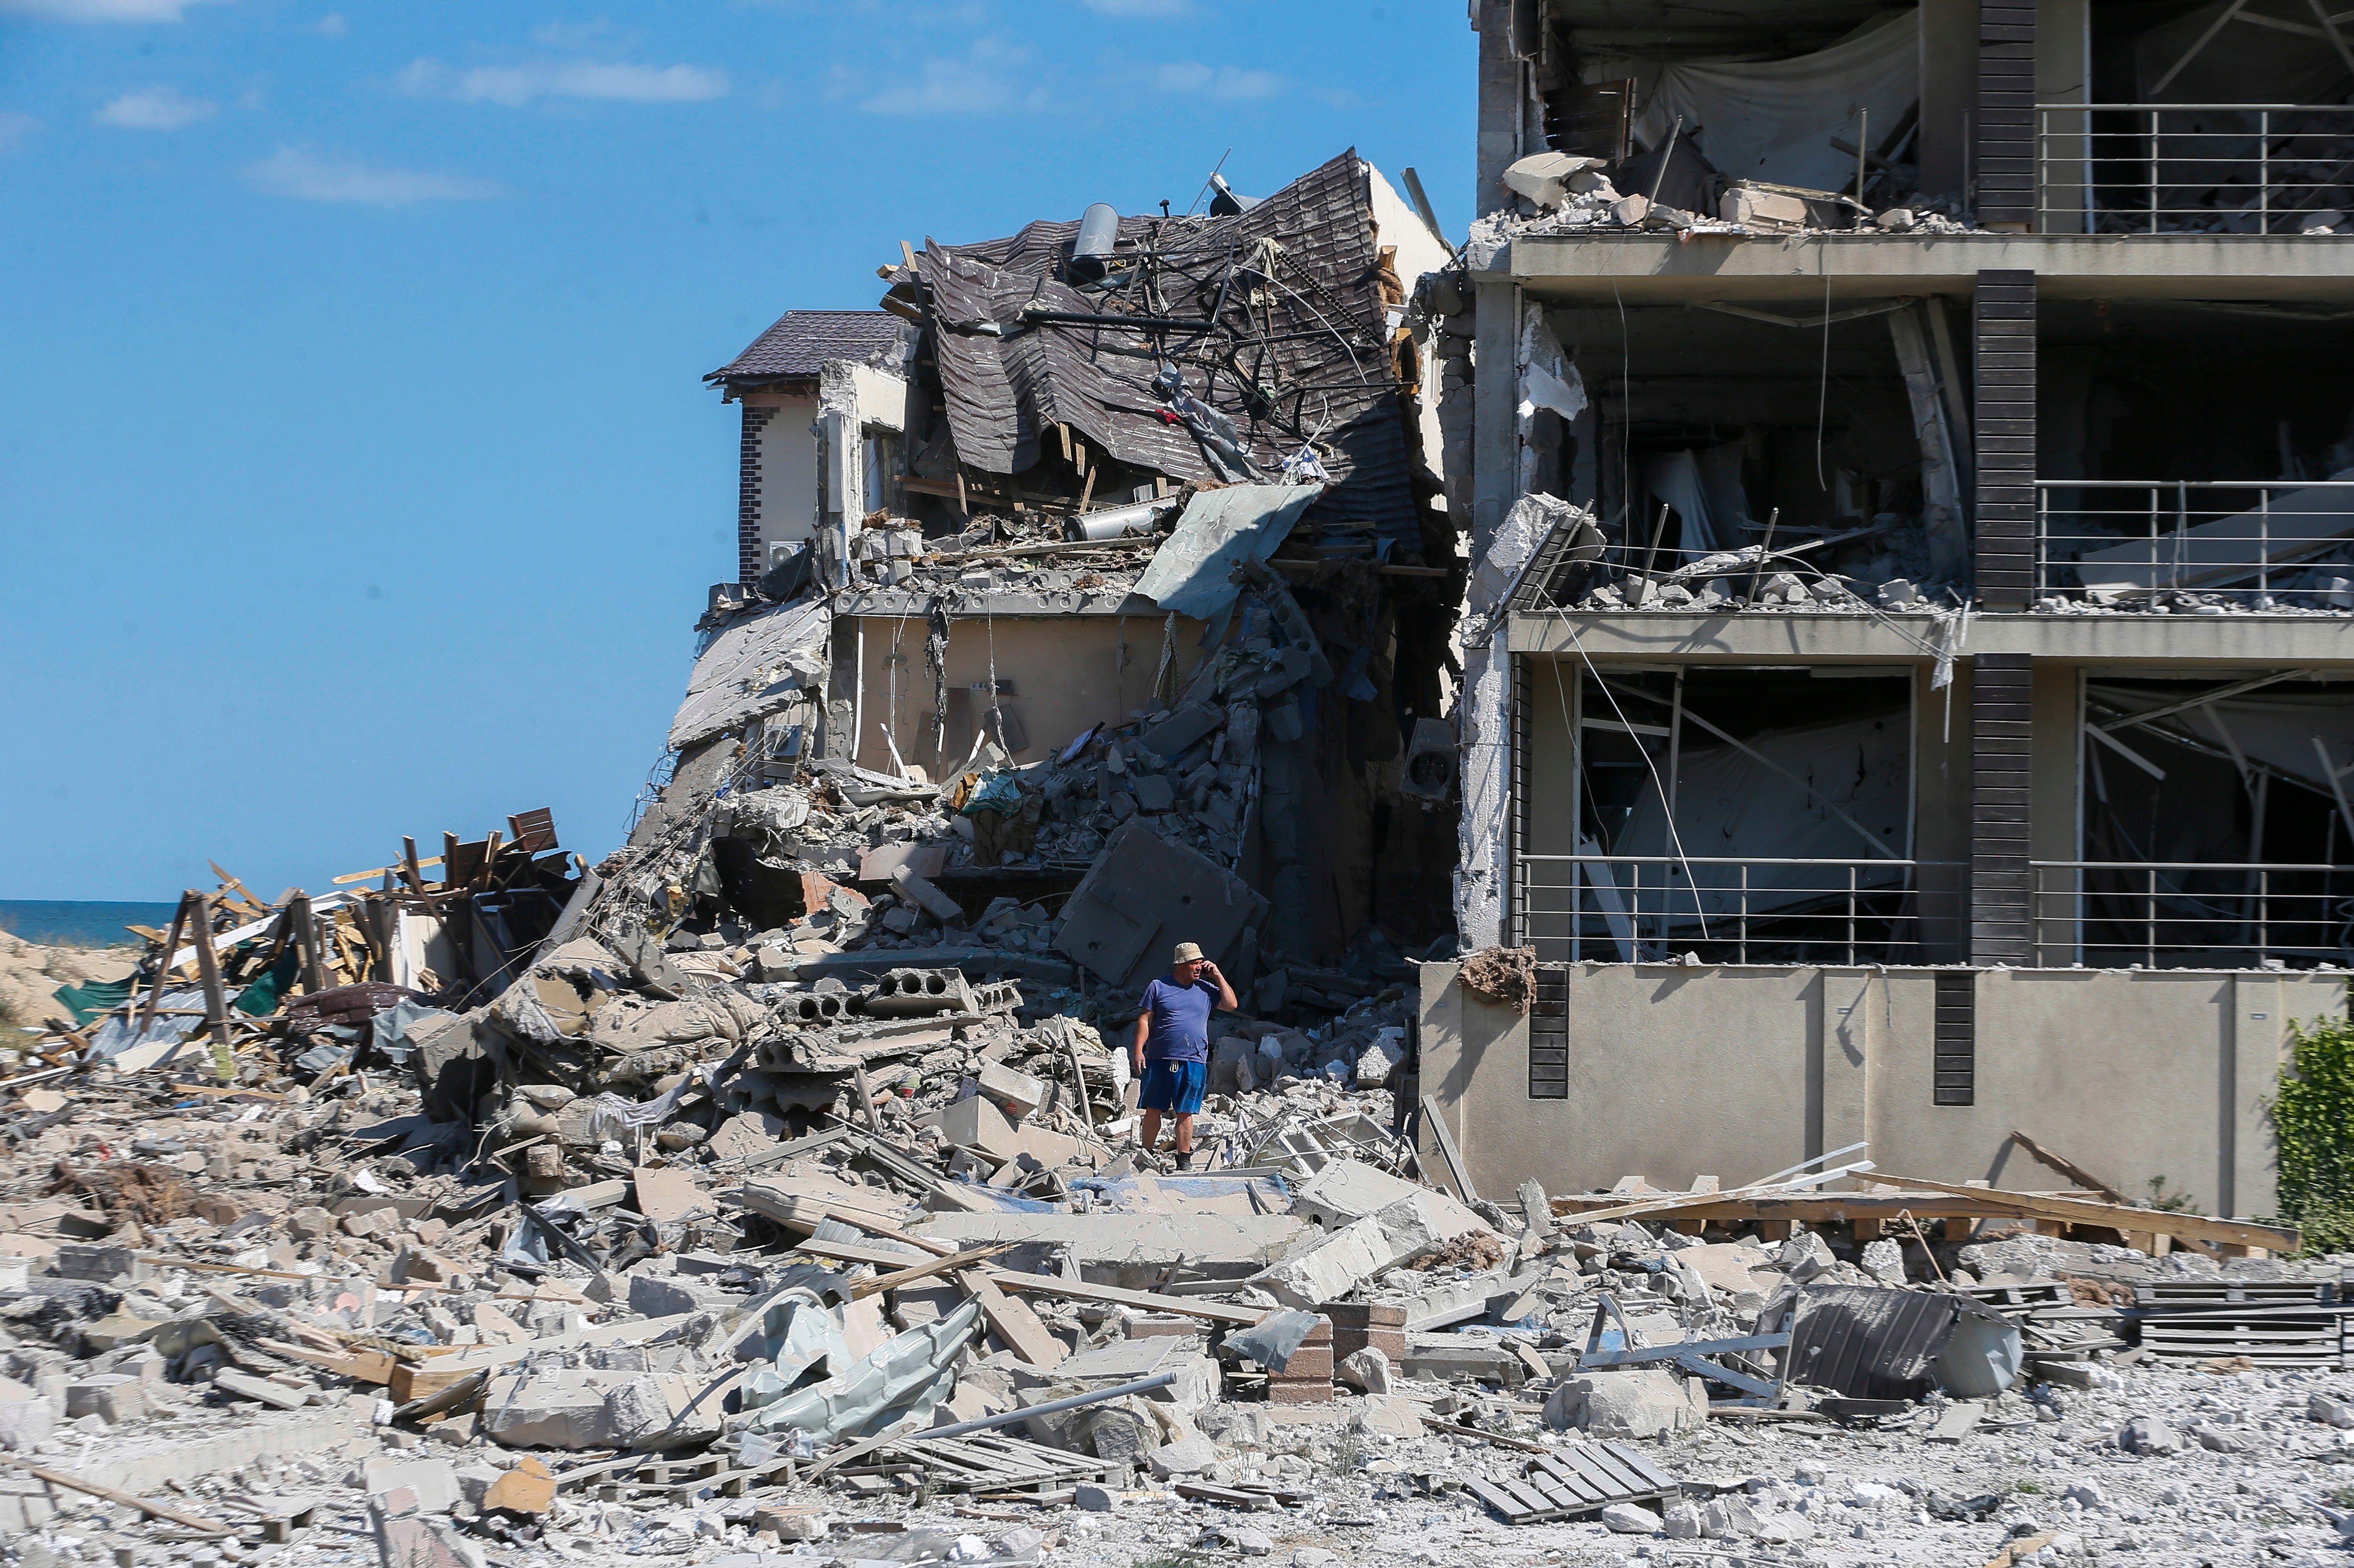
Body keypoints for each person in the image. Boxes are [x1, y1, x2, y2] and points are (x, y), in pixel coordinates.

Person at [1132, 940, 1237, 1170]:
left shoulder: (1206, 989)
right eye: (1193, 964)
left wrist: (1217, 975)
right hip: (1160, 1058)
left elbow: (1231, 1005)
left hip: (1194, 1060)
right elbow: (1145, 1019)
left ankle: (1184, 1160)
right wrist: (1139, 1050)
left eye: (1201, 963)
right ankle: (1146, 1154)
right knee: (1153, 1108)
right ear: (1180, 964)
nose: (1199, 968)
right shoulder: (1158, 986)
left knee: (1186, 1112)